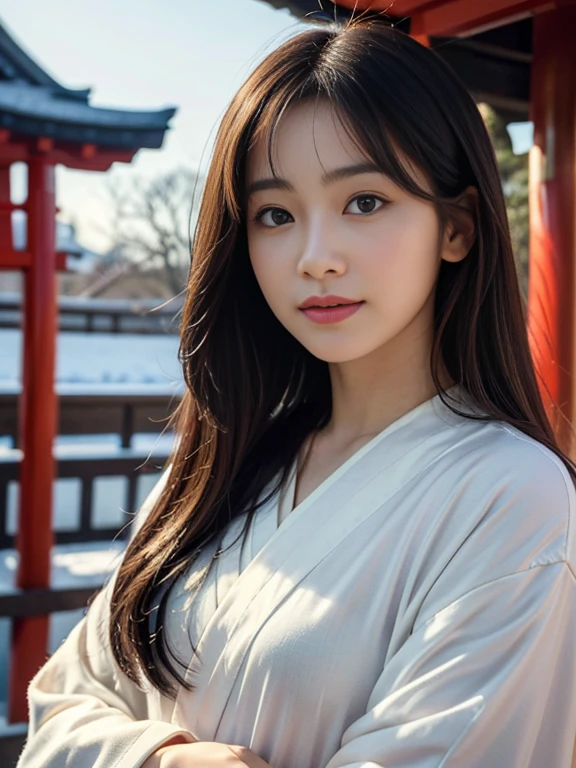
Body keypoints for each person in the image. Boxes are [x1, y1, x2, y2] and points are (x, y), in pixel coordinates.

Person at [16, 17, 576, 768]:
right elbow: (62, 703)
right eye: (275, 214)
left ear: (459, 227)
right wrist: (163, 760)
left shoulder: (513, 496)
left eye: (365, 202)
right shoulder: (224, 466)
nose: (315, 258)